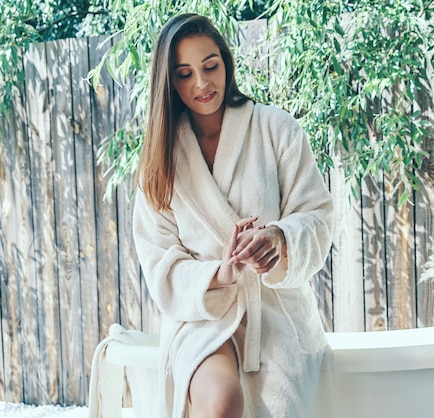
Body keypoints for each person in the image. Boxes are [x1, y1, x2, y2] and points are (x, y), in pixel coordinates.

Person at [132, 13, 334, 418]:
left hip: (274, 312)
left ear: (226, 61)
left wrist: (278, 239)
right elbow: (159, 260)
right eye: (185, 73)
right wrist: (219, 274)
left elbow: (318, 216)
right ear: (169, 82)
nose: (203, 84)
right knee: (223, 401)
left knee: (281, 404)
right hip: (202, 313)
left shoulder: (276, 128)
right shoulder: (161, 159)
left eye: (210, 66)